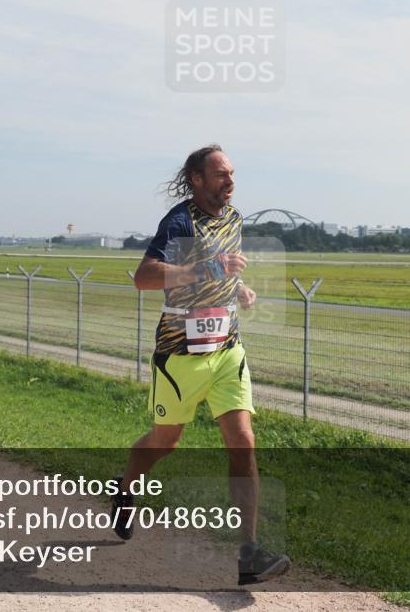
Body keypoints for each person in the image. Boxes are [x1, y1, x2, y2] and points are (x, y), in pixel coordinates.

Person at [112, 144, 290, 586]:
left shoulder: (234, 220)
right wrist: (207, 268)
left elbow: (226, 270)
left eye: (232, 174)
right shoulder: (179, 222)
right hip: (180, 358)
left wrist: (239, 289)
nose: (230, 182)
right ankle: (125, 488)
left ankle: (249, 552)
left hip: (227, 350)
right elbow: (144, 277)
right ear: (197, 179)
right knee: (165, 442)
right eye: (221, 175)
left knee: (243, 442)